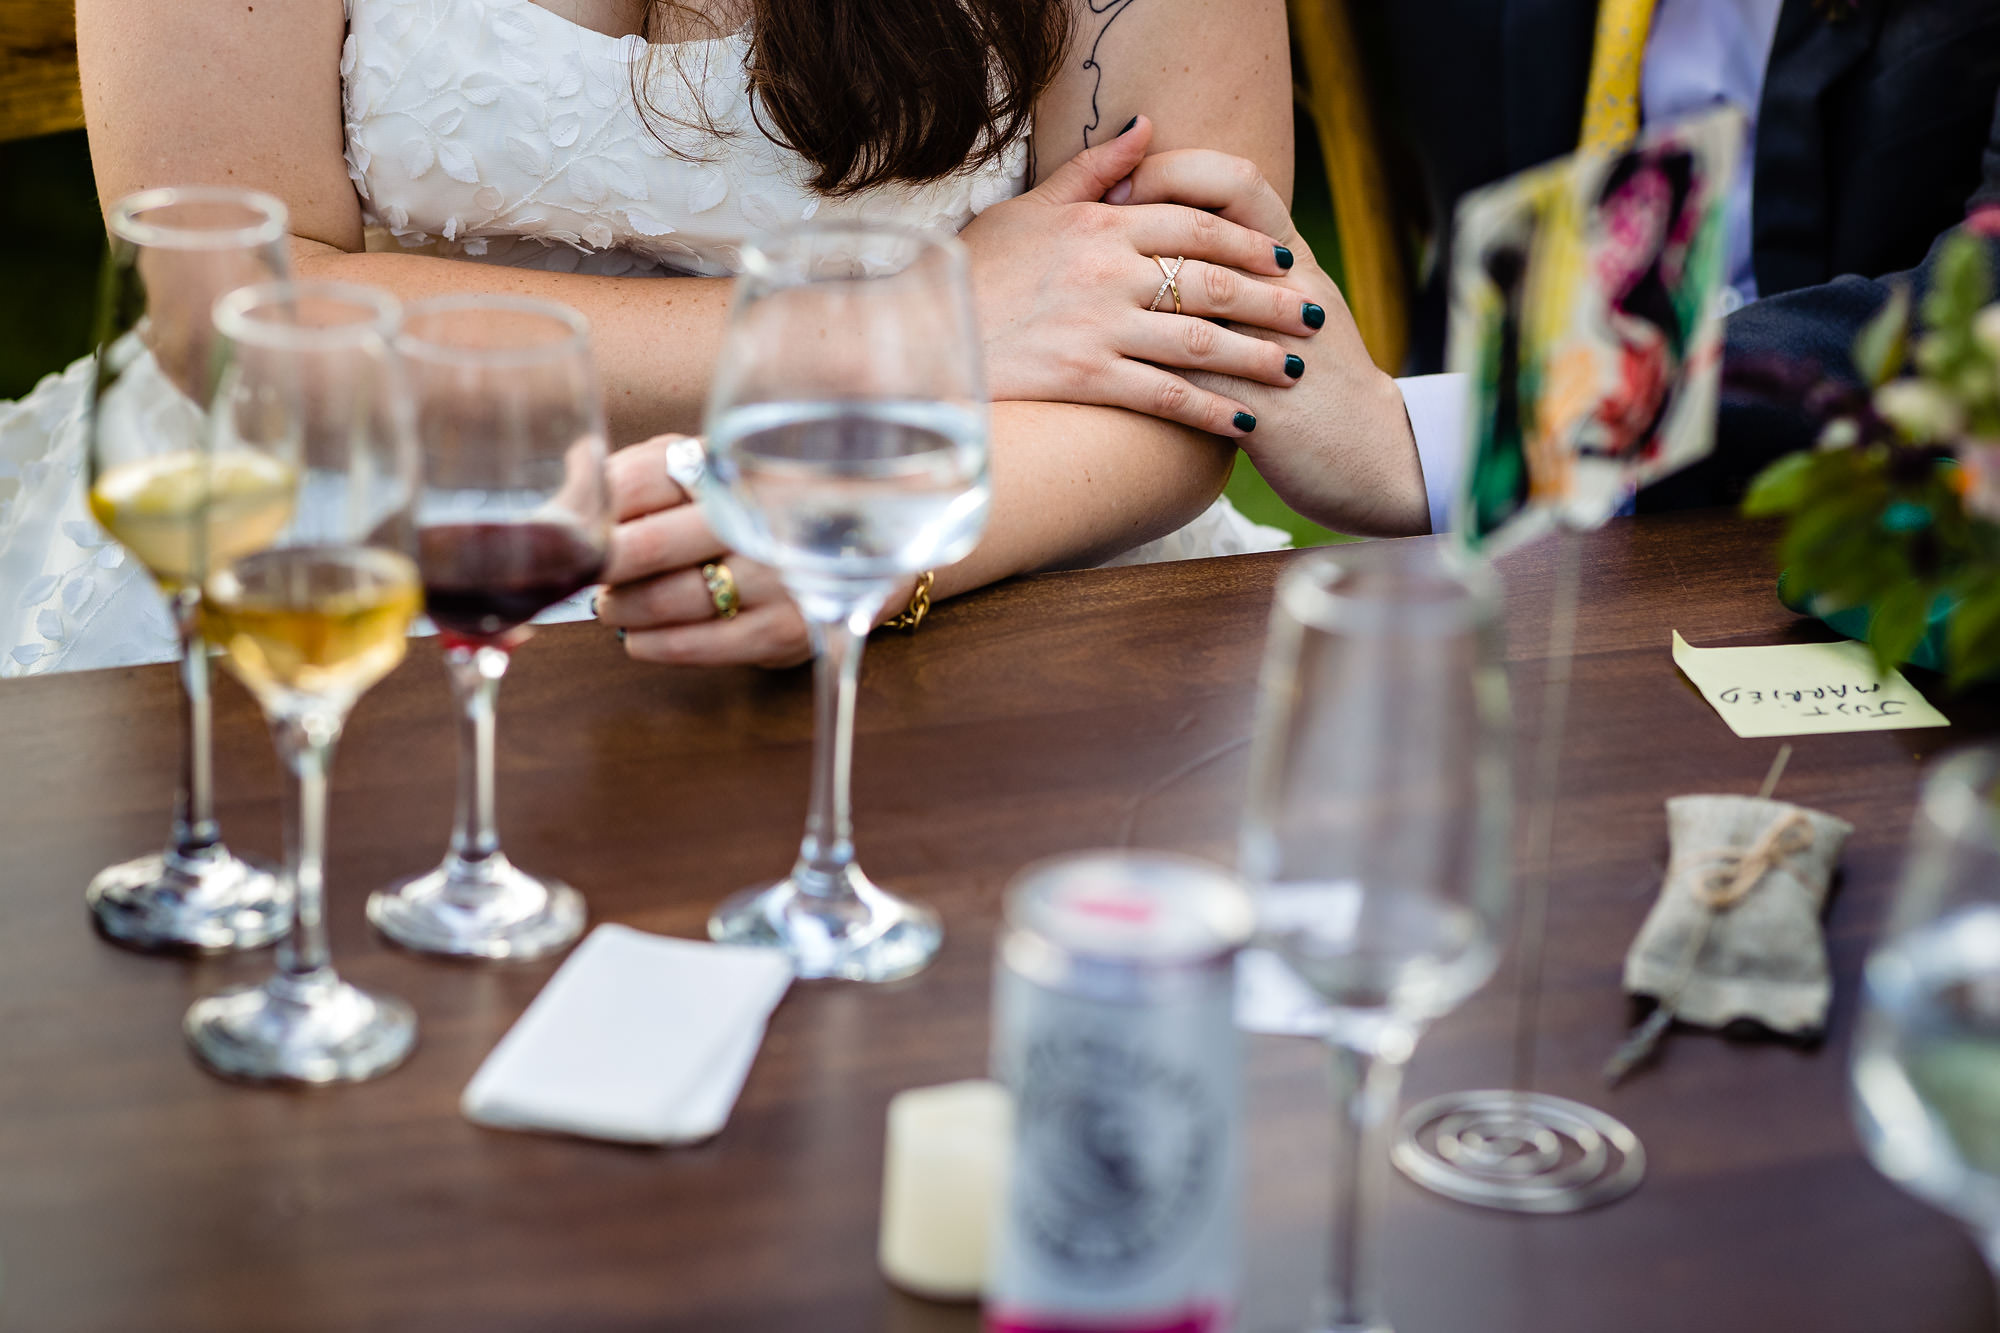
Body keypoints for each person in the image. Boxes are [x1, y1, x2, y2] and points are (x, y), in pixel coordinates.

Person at [0, 0, 1435, 676]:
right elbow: (229, 317)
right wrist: (887, 335)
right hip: (332, 553)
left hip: (976, 561)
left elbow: (1183, 324)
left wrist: (884, 537)